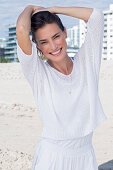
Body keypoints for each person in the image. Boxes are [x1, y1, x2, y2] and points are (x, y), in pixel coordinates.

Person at [16, 5, 107, 170]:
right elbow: (22, 29)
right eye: (44, 42)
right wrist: (30, 8)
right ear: (37, 45)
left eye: (56, 36)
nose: (53, 46)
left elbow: (97, 17)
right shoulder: (39, 74)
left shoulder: (87, 62)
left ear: (65, 32)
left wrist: (54, 10)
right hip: (52, 158)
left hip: (86, 156)